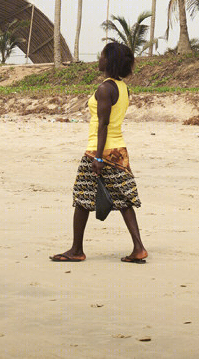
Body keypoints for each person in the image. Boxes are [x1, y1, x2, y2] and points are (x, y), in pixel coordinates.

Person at [51, 42, 147, 264]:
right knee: (124, 199)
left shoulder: (105, 89)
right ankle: (138, 248)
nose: (99, 58)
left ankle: (76, 250)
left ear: (109, 61)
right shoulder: (122, 87)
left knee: (82, 197)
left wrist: (98, 157)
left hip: (100, 150)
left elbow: (102, 124)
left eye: (102, 55)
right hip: (118, 150)